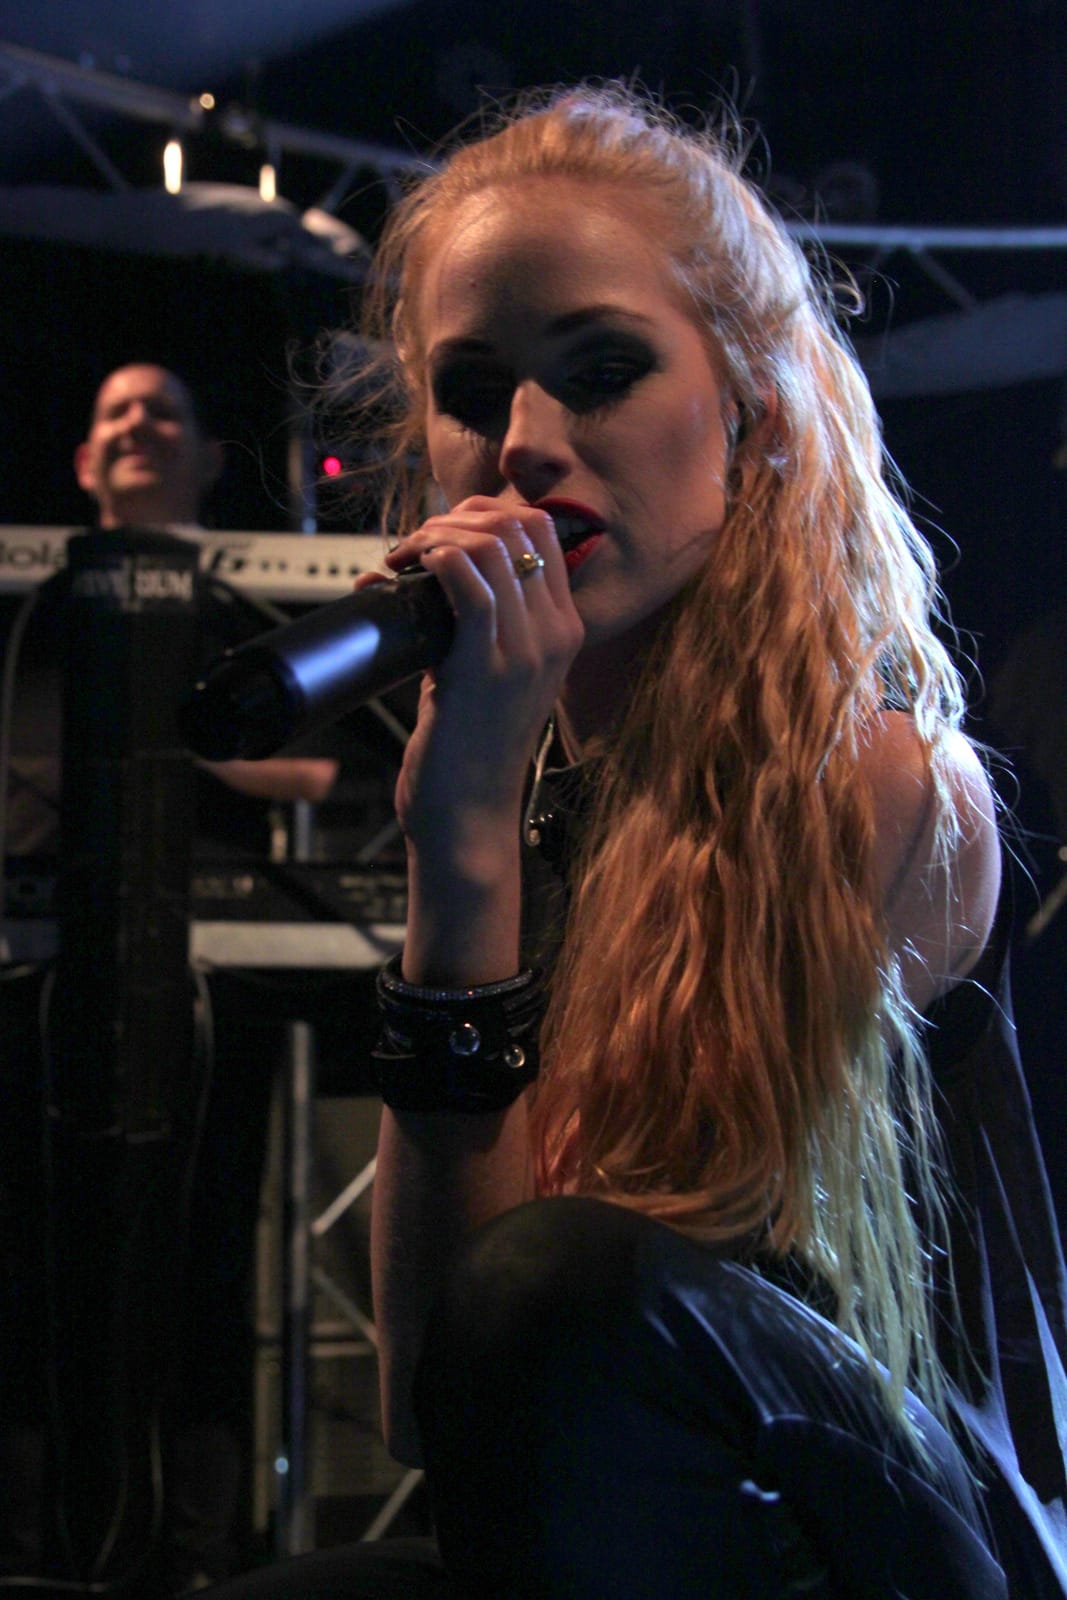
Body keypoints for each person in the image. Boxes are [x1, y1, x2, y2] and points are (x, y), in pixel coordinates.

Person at [204, 86, 1067, 1598]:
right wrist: (459, 850)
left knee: (563, 1279)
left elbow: (589, 1312)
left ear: (746, 407)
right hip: (613, 1523)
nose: (524, 445)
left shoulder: (875, 781)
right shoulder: (517, 783)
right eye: (472, 392)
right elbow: (438, 1397)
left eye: (600, 371)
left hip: (866, 1540)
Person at [0, 364, 337, 1594]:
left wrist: (151, 731)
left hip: (210, 973)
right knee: (25, 1265)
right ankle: (28, 1553)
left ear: (203, 462)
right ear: (84, 464)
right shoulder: (33, 605)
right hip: (37, 974)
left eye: (166, 413)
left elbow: (314, 773)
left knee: (207, 1259)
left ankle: (201, 1562)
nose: (139, 425)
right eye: (115, 413)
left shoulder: (249, 608)